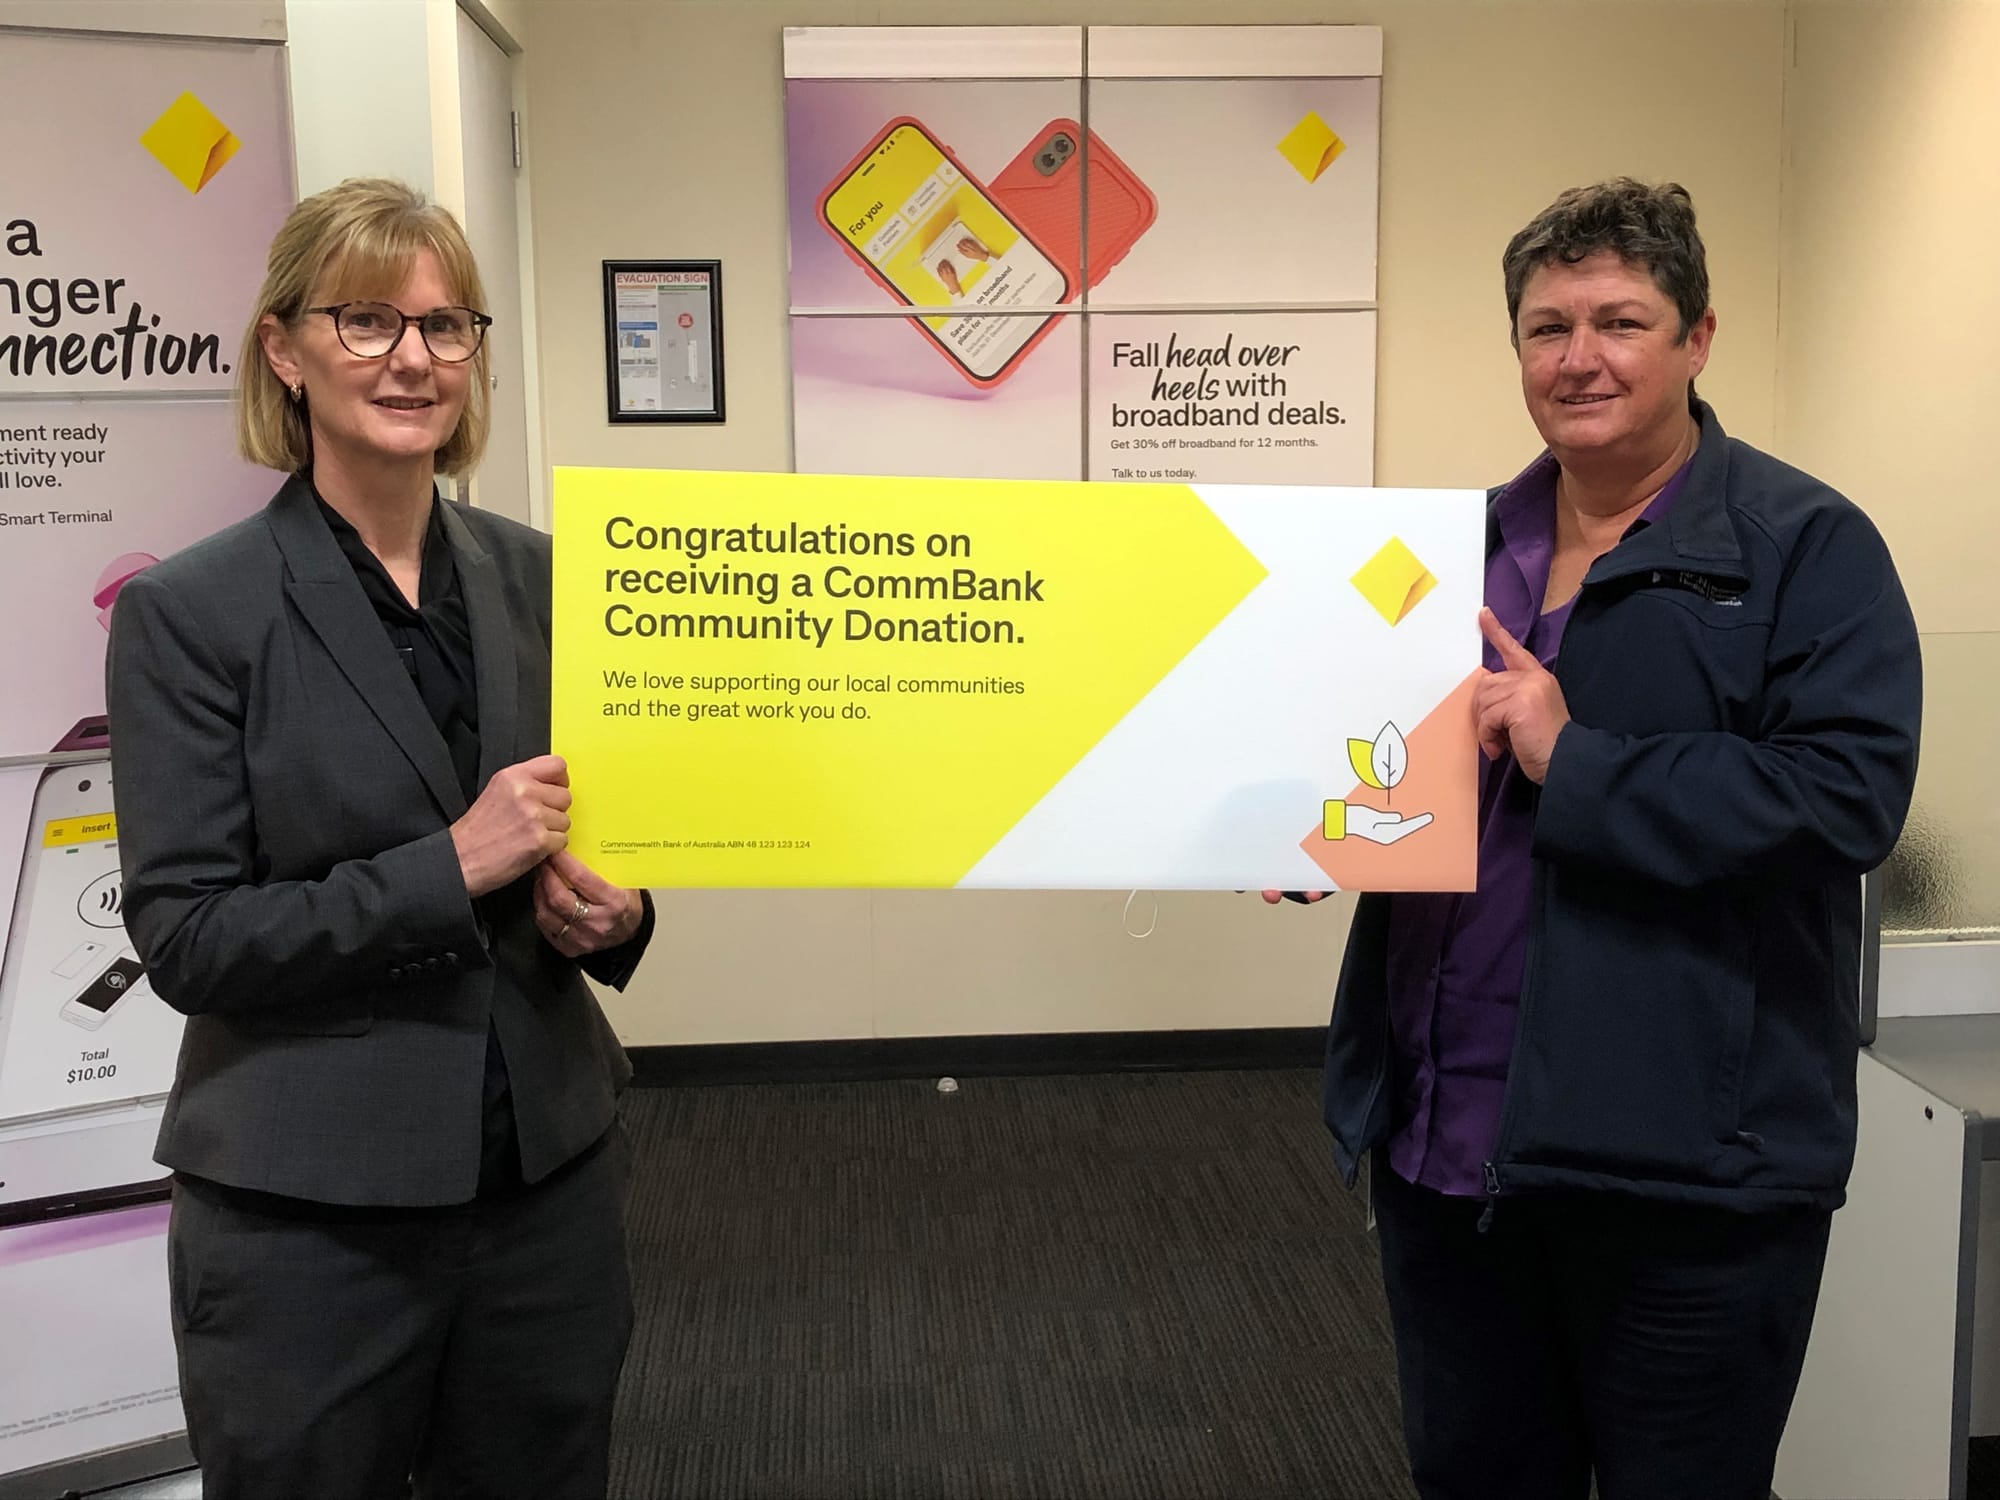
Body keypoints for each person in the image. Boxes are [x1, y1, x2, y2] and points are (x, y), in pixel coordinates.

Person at [1274, 179, 1921, 1499]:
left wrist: (1578, 759)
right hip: (1447, 1153)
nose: (1578, 358)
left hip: (1684, 1177)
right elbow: (1389, 775)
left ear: (1698, 338)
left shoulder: (1804, 547)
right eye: (1545, 327)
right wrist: (1318, 827)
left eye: (1620, 321)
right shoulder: (1452, 552)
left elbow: (1846, 799)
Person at [106, 179, 655, 1500]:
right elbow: (186, 935)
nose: (413, 357)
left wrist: (619, 918)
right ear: (284, 351)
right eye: (365, 321)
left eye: (445, 325)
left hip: (541, 1192)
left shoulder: (545, 578)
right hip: (312, 1223)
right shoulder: (193, 614)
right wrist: (449, 868)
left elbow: (604, 841)